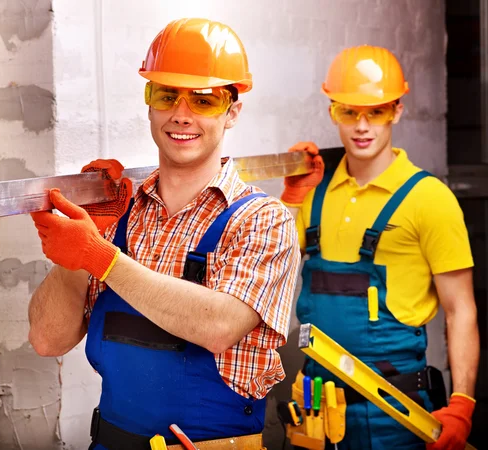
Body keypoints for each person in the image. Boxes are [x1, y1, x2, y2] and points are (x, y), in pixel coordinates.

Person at [28, 17, 301, 449]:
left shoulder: (261, 221)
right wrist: (75, 258)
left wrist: (100, 257)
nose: (181, 114)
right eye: (166, 95)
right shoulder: (120, 216)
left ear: (233, 111)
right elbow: (47, 340)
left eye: (204, 100)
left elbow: (218, 325)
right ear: (150, 103)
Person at [281, 45, 480, 450]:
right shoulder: (314, 192)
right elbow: (271, 270)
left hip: (397, 414)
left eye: (377, 111)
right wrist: (288, 200)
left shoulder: (430, 200)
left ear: (398, 111)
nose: (362, 125)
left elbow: (461, 310)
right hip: (314, 412)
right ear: (333, 111)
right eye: (348, 111)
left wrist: (462, 403)